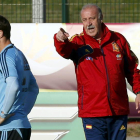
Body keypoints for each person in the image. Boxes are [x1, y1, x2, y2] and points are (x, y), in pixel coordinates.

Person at [54, 3, 140, 140]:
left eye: (92, 18)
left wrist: (139, 91)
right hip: (92, 113)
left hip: (118, 111)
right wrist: (60, 40)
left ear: (101, 18)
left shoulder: (119, 40)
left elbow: (132, 69)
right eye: (84, 20)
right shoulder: (78, 42)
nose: (88, 23)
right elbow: (64, 50)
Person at [0, 15, 39, 140]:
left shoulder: (4, 56)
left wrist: (3, 115)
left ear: (0, 33)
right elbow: (33, 87)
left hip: (8, 128)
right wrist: (22, 113)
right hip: (20, 126)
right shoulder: (18, 53)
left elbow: (13, 85)